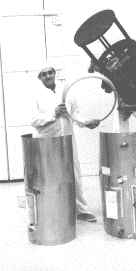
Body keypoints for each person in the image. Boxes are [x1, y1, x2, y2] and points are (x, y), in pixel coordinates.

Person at [30, 64, 100, 222]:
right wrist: (53, 113)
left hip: (67, 138)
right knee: (49, 176)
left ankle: (81, 210)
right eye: (44, 74)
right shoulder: (35, 94)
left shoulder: (66, 90)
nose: (48, 76)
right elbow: (33, 119)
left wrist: (86, 122)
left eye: (50, 73)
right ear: (39, 77)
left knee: (74, 173)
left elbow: (75, 114)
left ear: (54, 74)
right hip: (47, 140)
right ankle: (53, 212)